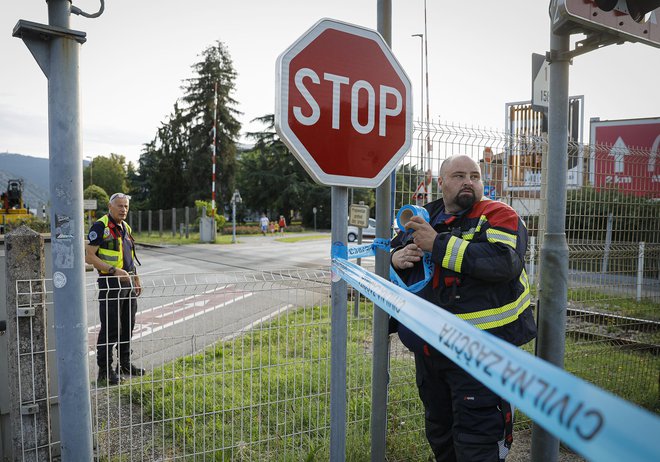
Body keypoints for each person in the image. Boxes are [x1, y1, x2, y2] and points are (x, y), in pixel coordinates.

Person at [390, 155, 537, 462]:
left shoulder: (499, 214)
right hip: (431, 356)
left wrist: (438, 244)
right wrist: (397, 259)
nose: (468, 181)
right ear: (440, 183)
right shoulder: (422, 215)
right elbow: (393, 254)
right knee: (441, 435)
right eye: (458, 176)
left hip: (482, 356)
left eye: (475, 175)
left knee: (478, 442)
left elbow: (502, 261)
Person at [85, 193, 145, 386]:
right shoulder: (100, 226)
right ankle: (104, 371)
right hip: (110, 283)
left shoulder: (125, 227)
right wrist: (113, 270)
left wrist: (136, 278)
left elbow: (129, 255)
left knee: (128, 325)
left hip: (127, 283)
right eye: (119, 206)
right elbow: (88, 256)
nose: (123, 209)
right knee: (111, 328)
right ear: (110, 207)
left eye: (126, 206)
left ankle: (125, 364)